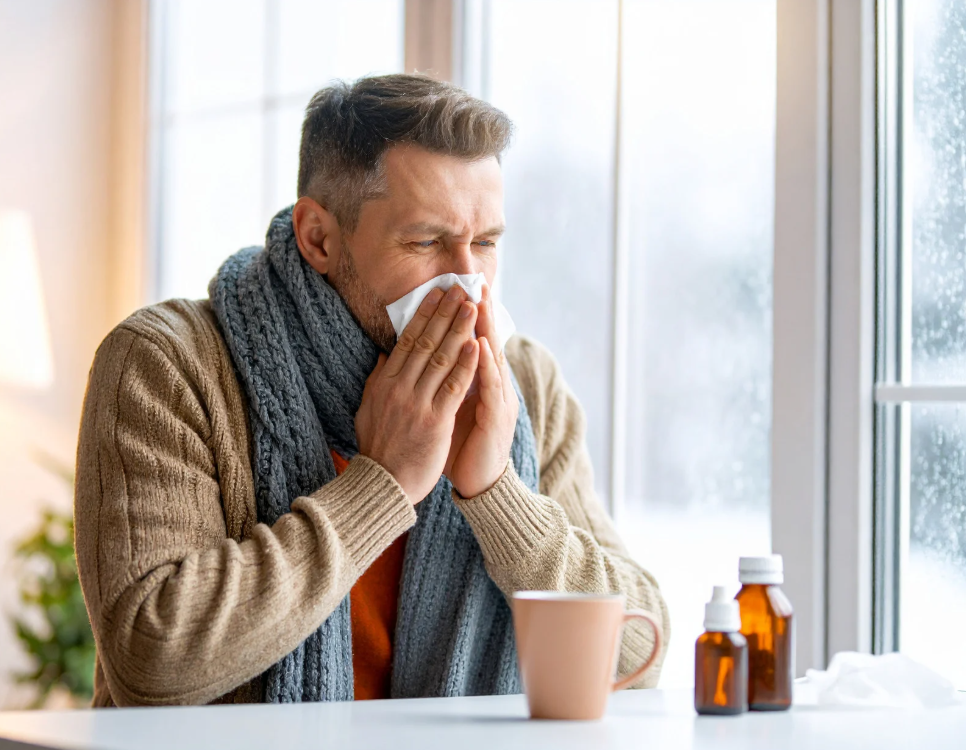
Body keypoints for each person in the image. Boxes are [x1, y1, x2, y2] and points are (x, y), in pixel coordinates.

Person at [74, 73, 670, 707]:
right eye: (425, 242)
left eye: (486, 243)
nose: (467, 282)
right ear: (320, 238)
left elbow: (638, 657)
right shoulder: (166, 363)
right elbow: (152, 660)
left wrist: (498, 495)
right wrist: (381, 484)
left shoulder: (523, 383)